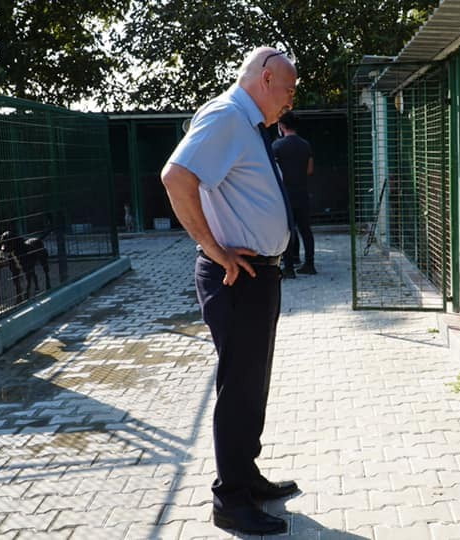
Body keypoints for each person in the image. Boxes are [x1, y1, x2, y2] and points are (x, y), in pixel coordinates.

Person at [160, 46, 299, 536]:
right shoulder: (225, 116)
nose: (290, 98)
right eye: (288, 86)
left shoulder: (246, 123)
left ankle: (248, 477)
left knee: (251, 385)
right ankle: (230, 499)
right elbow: (176, 177)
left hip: (260, 276)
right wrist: (215, 251)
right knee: (238, 390)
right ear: (265, 77)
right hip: (237, 277)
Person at [273, 111, 316, 277]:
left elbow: (274, 172)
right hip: (302, 192)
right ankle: (310, 264)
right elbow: (310, 169)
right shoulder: (306, 145)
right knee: (306, 229)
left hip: (284, 195)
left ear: (282, 126)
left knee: (287, 231)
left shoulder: (277, 146)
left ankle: (289, 267)